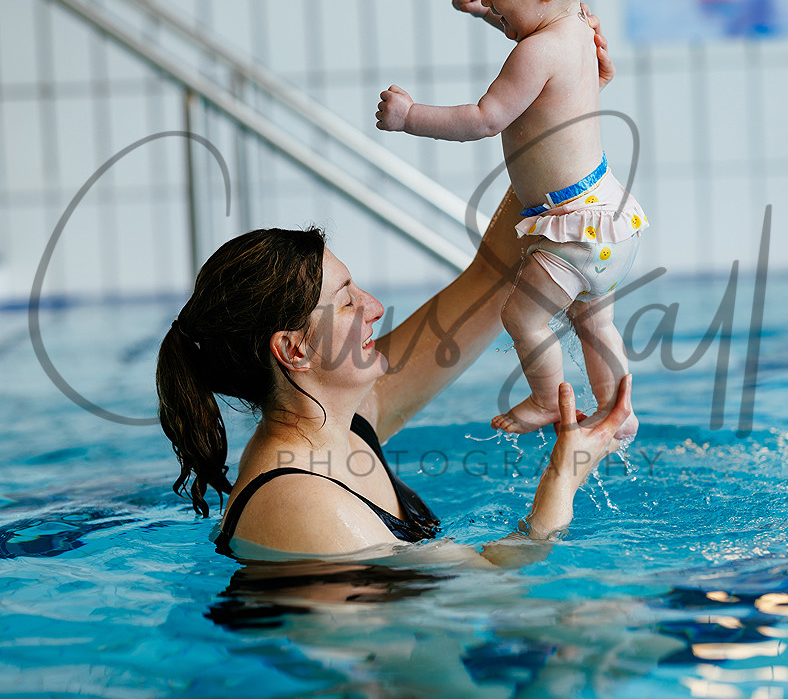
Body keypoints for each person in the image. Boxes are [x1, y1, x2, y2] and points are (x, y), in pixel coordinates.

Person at [155, 159, 632, 562]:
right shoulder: (299, 503)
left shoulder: (346, 421)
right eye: (347, 302)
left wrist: (559, 120)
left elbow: (494, 274)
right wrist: (562, 477)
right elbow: (491, 582)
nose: (376, 307)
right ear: (294, 350)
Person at [375, 0, 647, 438]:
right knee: (596, 326)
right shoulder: (578, 27)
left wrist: (410, 117)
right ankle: (618, 414)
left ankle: (547, 399)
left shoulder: (535, 52)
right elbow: (527, 24)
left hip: (571, 229)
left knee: (521, 317)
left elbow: (484, 118)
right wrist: (486, 11)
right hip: (609, 217)